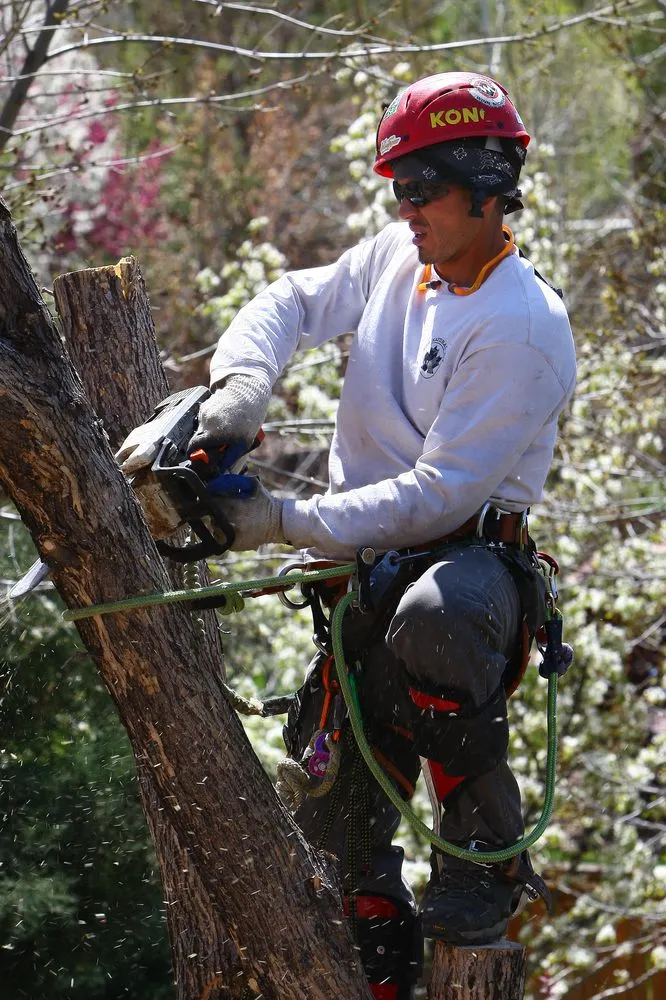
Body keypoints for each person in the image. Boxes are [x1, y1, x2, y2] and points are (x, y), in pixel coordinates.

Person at [121, 72, 576, 999]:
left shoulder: (521, 325)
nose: (404, 209)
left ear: (487, 188)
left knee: (437, 620)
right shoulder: (399, 260)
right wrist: (241, 389)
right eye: (397, 191)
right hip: (359, 575)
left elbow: (437, 496)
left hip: (463, 565)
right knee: (335, 872)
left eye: (422, 190)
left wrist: (274, 522)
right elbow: (290, 299)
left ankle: (482, 852)